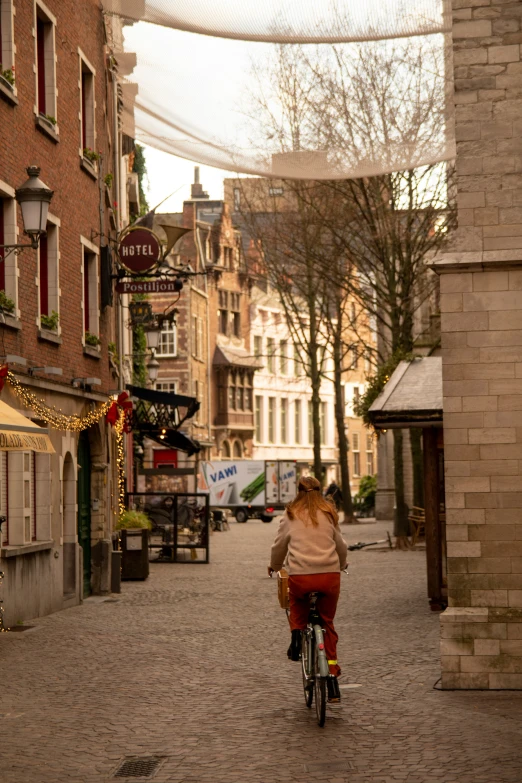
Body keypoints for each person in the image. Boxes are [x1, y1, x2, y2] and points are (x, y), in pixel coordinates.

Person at [268, 475, 348, 699]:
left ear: (298, 491)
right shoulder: (329, 512)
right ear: (320, 490)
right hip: (329, 576)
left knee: (297, 603)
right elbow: (340, 545)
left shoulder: (290, 514)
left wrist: (274, 566)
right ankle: (332, 677)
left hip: (301, 576)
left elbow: (279, 545)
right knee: (327, 623)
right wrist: (342, 563)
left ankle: (295, 638)